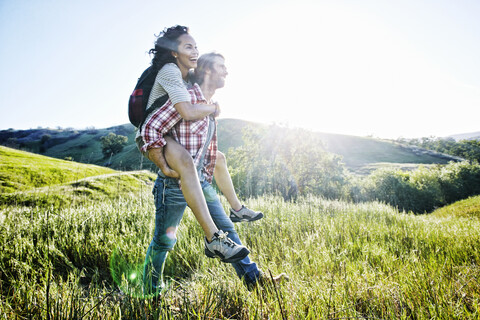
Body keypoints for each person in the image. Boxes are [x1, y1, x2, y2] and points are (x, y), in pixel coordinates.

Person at [141, 52, 287, 293]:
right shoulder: (185, 99)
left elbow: (209, 154)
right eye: (221, 66)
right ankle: (150, 291)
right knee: (164, 241)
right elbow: (149, 128)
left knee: (226, 230)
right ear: (207, 70)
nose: (226, 71)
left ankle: (255, 280)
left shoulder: (209, 110)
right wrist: (163, 164)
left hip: (200, 182)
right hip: (173, 184)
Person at [138, 25, 263, 225]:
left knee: (218, 158)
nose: (227, 72)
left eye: (195, 47)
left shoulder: (194, 89)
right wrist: (212, 109)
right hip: (166, 153)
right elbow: (182, 115)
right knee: (164, 241)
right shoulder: (178, 81)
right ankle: (214, 234)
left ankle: (235, 212)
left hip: (187, 162)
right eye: (188, 47)